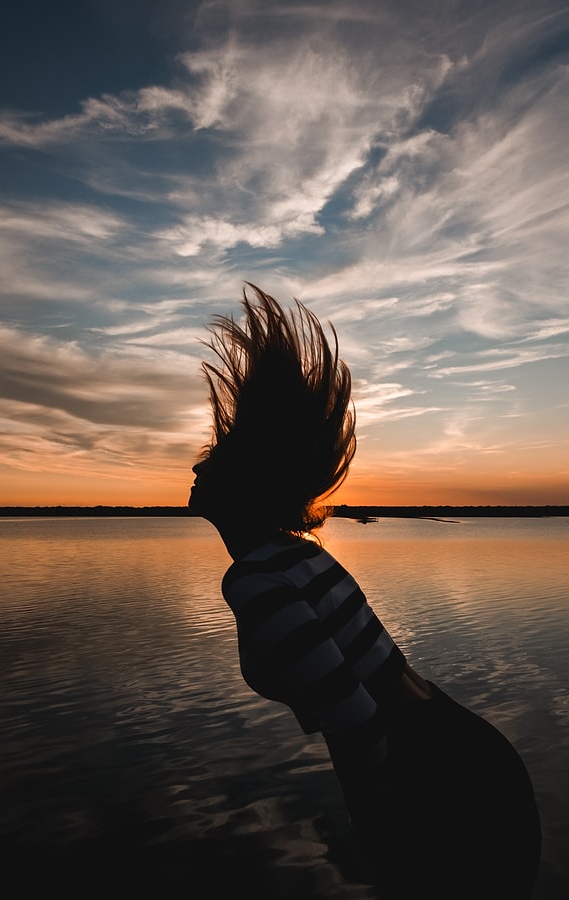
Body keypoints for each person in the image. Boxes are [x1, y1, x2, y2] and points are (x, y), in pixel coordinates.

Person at [189, 284, 541, 899]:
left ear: (245, 479)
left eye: (214, 456)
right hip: (470, 748)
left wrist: (380, 835)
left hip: (438, 784)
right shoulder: (302, 558)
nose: (196, 468)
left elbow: (355, 725)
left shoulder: (257, 579)